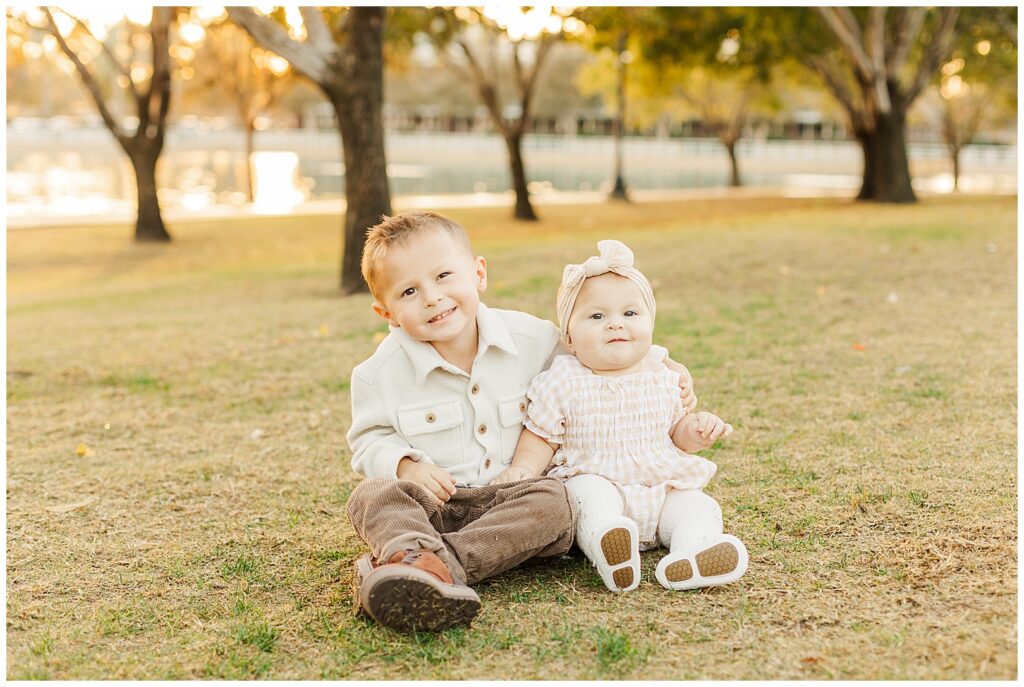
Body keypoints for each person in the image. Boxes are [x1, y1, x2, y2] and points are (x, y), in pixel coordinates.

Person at [345, 213, 697, 632]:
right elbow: (370, 439)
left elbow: (591, 349)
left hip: (519, 502)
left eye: (443, 276)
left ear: (478, 273)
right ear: (386, 311)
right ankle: (413, 554)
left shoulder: (533, 338)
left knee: (559, 502)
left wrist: (663, 364)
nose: (432, 298)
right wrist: (406, 466)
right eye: (409, 291)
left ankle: (430, 567)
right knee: (374, 494)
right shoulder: (377, 374)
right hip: (438, 507)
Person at [493, 239, 748, 594]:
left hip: (660, 487)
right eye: (597, 317)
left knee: (698, 506)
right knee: (589, 498)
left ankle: (692, 552)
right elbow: (541, 436)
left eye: (630, 314)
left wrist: (695, 429)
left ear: (650, 325)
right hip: (596, 478)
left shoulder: (663, 375)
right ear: (570, 338)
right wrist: (524, 468)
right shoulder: (563, 380)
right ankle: (610, 545)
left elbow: (675, 432)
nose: (615, 324)